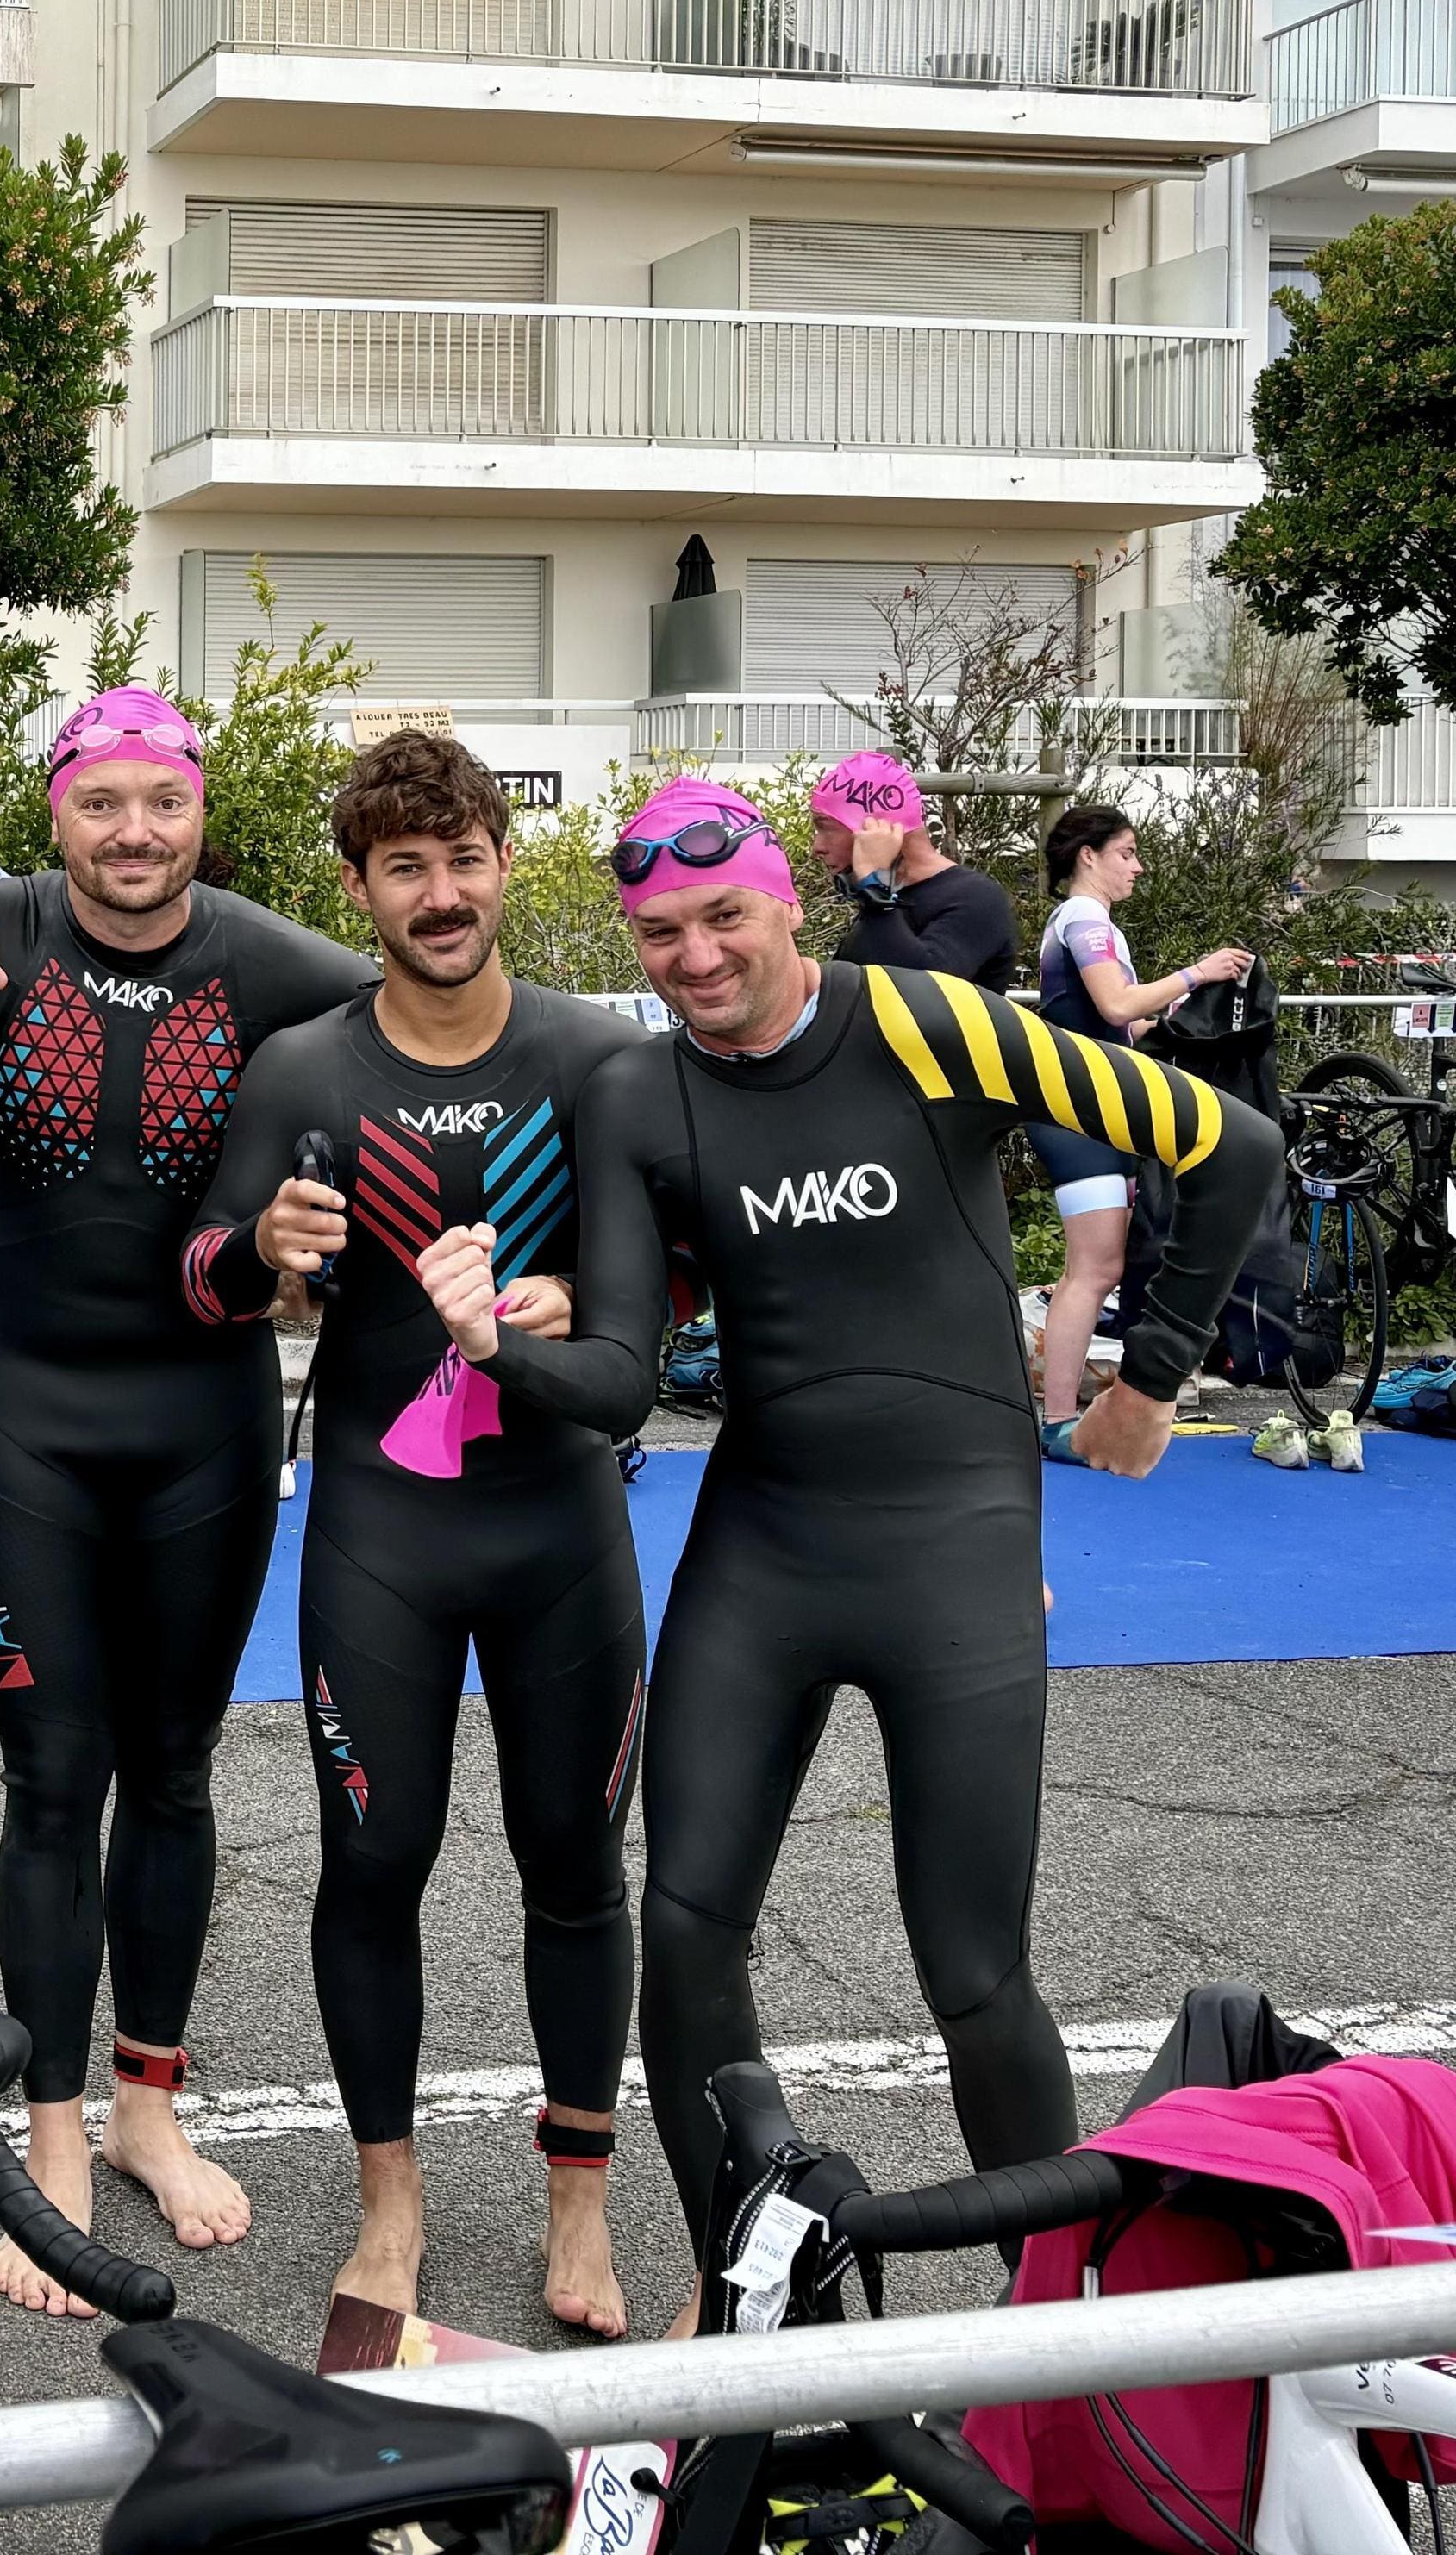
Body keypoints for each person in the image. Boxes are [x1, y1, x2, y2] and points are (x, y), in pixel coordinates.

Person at [424, 776, 1279, 2319]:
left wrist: (1149, 1380)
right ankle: (733, 2291)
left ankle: (1051, 2335)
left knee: (972, 1969)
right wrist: (496, 1347)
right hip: (765, 1548)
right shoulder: (635, 1094)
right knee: (686, 1932)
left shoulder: (926, 1019)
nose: (695, 956)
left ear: (785, 902)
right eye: (660, 933)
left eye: (724, 916)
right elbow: (617, 1376)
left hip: (953, 1547)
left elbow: (1234, 1148)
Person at [0, 686, 373, 2312]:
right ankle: (52, 2131)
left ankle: (145, 2112)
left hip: (202, 1427)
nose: (132, 832)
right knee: (52, 1781)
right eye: (100, 802)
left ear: (200, 814)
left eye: (161, 802)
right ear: (54, 813)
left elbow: (428, 1017)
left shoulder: (272, 964)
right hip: (20, 1429)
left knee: (173, 1772)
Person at [179, 730, 645, 2344]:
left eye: (461, 861)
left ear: (505, 864)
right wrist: (264, 1248)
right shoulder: (304, 1071)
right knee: (374, 1862)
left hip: (559, 1527)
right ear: (359, 887)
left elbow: (661, 1307)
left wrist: (570, 1296)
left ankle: (577, 2201)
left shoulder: (596, 1061)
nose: (439, 897)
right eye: (403, 869)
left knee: (574, 1864)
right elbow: (203, 1277)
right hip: (383, 1528)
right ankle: (391, 2200)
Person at [1032, 804, 1254, 1449]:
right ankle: (1056, 1421)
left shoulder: (1092, 923)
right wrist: (1197, 972)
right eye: (1126, 854)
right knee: (1092, 1270)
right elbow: (1114, 1004)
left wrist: (1187, 1012)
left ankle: (1065, 1415)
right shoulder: (1083, 916)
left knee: (1099, 1268)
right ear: (1088, 856)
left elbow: (1127, 1024)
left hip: (1095, 1108)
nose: (1137, 867)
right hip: (1078, 1111)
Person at [810, 750, 1022, 995]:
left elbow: (922, 990)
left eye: (825, 828)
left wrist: (875, 888)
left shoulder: (978, 898)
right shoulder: (887, 901)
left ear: (874, 829)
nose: (817, 847)